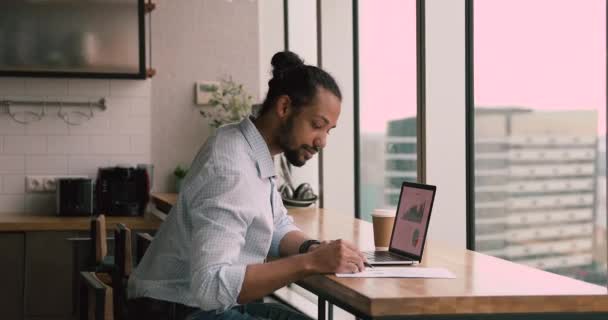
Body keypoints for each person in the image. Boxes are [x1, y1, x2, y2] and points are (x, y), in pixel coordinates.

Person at [128, 51, 367, 320]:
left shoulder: (248, 147)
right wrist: (310, 263)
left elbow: (276, 225)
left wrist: (313, 248)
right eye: (317, 125)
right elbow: (211, 285)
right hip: (180, 311)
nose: (322, 141)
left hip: (197, 305)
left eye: (328, 131)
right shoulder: (231, 168)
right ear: (284, 107)